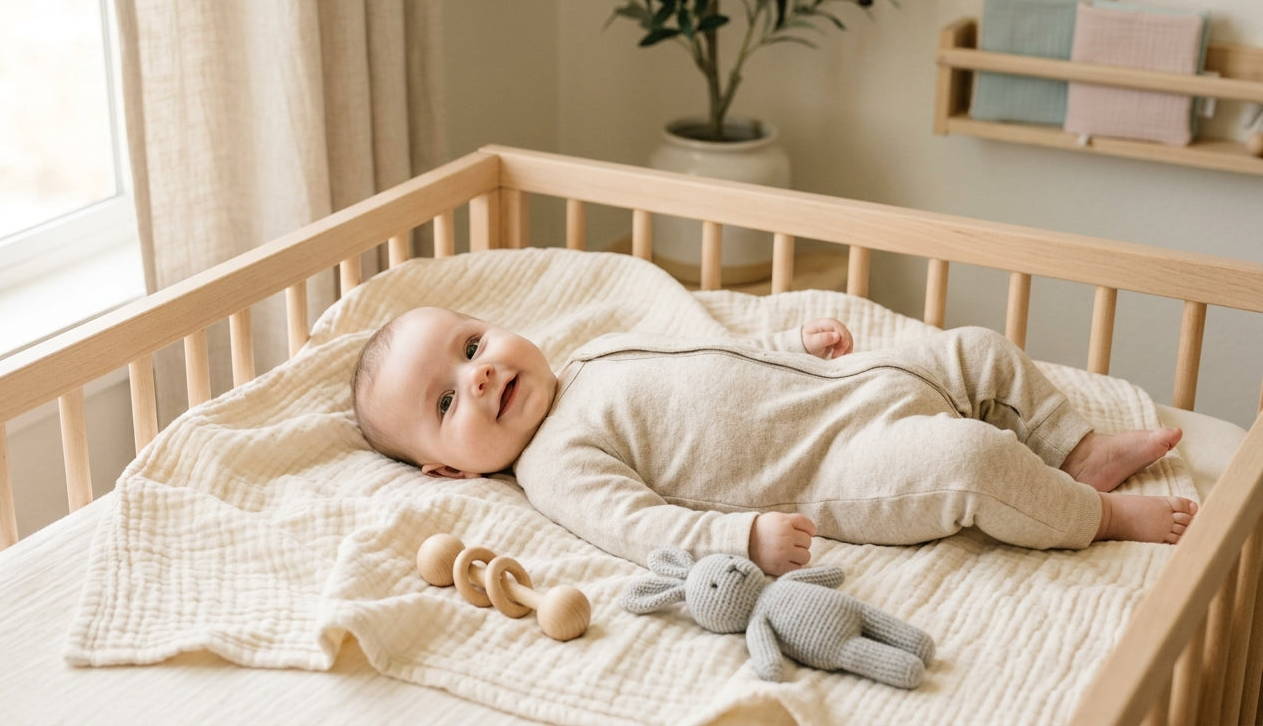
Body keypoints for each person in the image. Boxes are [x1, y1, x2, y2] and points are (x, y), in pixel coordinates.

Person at [351, 306, 1196, 576]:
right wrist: (739, 540)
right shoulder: (554, 465)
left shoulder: (589, 355)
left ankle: (1075, 446)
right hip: (837, 464)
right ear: (446, 469)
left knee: (979, 348)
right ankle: (1095, 514)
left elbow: (712, 359)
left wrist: (788, 344)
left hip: (849, 384)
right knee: (972, 462)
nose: (480, 376)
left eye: (471, 346)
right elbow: (641, 529)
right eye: (447, 400)